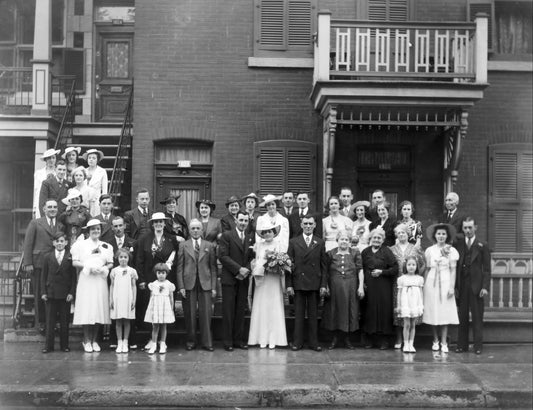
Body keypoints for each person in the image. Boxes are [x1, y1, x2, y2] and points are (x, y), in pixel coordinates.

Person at [135, 212, 178, 346]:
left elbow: (176, 257)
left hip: (166, 279)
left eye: (161, 222)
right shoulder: (145, 239)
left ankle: (163, 340)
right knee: (151, 309)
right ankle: (151, 339)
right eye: (156, 222)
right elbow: (139, 260)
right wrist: (141, 279)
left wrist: (169, 265)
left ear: (165, 224)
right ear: (152, 224)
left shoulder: (171, 239)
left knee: (165, 309)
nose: (158, 224)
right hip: (149, 280)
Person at [71, 219, 114, 353]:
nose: (96, 231)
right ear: (88, 231)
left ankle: (95, 340)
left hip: (100, 280)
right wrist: (89, 266)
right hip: (87, 280)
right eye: (93, 229)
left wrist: (102, 268)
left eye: (98, 229)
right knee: (87, 309)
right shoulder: (81, 245)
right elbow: (75, 262)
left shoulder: (106, 246)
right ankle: (86, 340)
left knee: (98, 308)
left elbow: (111, 263)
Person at [287, 215, 327, 352]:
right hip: (298, 283)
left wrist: (323, 285)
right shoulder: (293, 242)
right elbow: (288, 265)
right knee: (298, 315)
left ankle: (313, 342)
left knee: (313, 315)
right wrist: (289, 284)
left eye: (311, 223)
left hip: (314, 283)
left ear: (315, 225)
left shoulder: (320, 242)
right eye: (306, 224)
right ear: (301, 225)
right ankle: (297, 342)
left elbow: (324, 266)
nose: (308, 226)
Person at [23, 200, 65, 332]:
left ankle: (54, 323)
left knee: (54, 294)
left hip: (55, 264)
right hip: (39, 264)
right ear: (44, 209)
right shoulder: (36, 223)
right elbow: (28, 243)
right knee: (40, 294)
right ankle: (41, 323)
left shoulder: (60, 225)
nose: (52, 209)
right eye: (50, 207)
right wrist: (28, 263)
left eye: (54, 207)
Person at [177, 219, 217, 351]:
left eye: (197, 228)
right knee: (190, 314)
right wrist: (181, 286)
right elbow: (180, 267)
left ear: (202, 230)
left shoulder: (209, 245)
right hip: (189, 283)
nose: (195, 231)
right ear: (189, 230)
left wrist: (213, 287)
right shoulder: (183, 245)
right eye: (192, 228)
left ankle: (207, 342)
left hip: (205, 283)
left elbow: (213, 268)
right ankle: (191, 341)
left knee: (206, 314)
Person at [248, 220, 288, 349]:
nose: (267, 234)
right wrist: (256, 265)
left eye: (269, 231)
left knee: (273, 306)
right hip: (262, 280)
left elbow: (283, 262)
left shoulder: (280, 245)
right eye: (264, 232)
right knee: (262, 306)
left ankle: (274, 338)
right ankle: (261, 338)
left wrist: (275, 264)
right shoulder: (258, 245)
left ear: (274, 233)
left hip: (274, 279)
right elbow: (256, 260)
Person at [218, 211, 254, 351]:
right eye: (241, 220)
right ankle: (228, 342)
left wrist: (246, 269)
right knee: (228, 311)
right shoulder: (227, 236)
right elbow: (223, 256)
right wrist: (239, 269)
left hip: (243, 279)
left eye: (246, 220)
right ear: (236, 220)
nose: (243, 223)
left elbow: (253, 256)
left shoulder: (250, 237)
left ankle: (239, 340)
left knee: (240, 310)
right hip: (230, 279)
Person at [322, 230, 364, 350]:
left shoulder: (355, 253)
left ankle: (347, 339)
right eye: (342, 239)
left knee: (349, 311)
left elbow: (360, 270)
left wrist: (361, 286)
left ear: (350, 241)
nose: (344, 241)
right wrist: (326, 286)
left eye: (346, 239)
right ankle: (334, 338)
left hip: (351, 286)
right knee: (334, 311)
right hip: (335, 286)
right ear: (337, 240)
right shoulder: (330, 253)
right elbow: (326, 272)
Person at [455, 217, 491, 355]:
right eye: (465, 228)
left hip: (477, 286)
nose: (468, 230)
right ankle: (461, 345)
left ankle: (478, 346)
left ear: (475, 227)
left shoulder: (482, 245)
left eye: (470, 227)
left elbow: (487, 269)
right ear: (462, 229)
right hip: (462, 285)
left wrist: (485, 287)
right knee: (462, 316)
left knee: (477, 316)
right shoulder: (458, 244)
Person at [422, 223, 460, 353]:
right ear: (435, 235)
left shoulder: (452, 250)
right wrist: (424, 285)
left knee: (444, 311)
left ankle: (444, 341)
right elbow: (427, 269)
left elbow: (453, 270)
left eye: (443, 234)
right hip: (431, 281)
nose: (441, 236)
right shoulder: (430, 250)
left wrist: (451, 287)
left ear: (447, 236)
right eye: (439, 234)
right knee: (433, 311)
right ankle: (435, 340)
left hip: (445, 280)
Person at [361, 227, 399, 349]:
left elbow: (395, 268)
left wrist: (382, 272)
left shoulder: (387, 251)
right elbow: (361, 268)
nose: (376, 240)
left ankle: (384, 340)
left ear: (383, 240)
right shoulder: (365, 252)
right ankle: (370, 339)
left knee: (383, 311)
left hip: (383, 286)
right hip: (369, 286)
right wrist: (362, 284)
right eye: (374, 237)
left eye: (379, 238)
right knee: (370, 310)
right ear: (370, 239)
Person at [389, 224, 425, 349]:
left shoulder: (414, 248)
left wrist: (416, 277)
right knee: (399, 310)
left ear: (408, 234)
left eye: (404, 232)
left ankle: (410, 341)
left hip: (412, 282)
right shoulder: (392, 249)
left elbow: (422, 263)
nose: (401, 235)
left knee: (411, 310)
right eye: (399, 233)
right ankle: (399, 338)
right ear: (396, 235)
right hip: (398, 283)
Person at [40, 231, 76, 353]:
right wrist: (43, 292)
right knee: (50, 321)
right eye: (57, 241)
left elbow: (73, 277)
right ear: (53, 243)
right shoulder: (47, 257)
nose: (59, 243)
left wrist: (71, 292)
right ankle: (48, 346)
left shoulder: (70, 256)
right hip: (51, 293)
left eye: (62, 241)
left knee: (64, 321)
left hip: (65, 294)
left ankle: (64, 345)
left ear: (66, 243)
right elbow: (43, 276)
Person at [109, 248, 137, 353]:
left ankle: (125, 342)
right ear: (117, 258)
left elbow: (134, 286)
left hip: (128, 298)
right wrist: (111, 299)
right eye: (121, 257)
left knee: (127, 320)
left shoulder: (132, 271)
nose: (123, 259)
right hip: (117, 298)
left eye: (125, 257)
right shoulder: (114, 271)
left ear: (129, 258)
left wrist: (134, 299)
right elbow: (111, 286)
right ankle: (119, 342)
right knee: (118, 321)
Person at [144, 263, 175, 354]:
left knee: (164, 326)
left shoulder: (169, 284)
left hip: (165, 308)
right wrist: (151, 310)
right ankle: (153, 345)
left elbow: (171, 297)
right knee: (155, 326)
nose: (161, 275)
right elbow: (151, 297)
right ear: (156, 273)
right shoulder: (153, 284)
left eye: (163, 273)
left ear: (166, 273)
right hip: (156, 308)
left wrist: (172, 308)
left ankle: (162, 344)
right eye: (159, 273)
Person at [396, 256, 424, 353]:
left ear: (416, 266)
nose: (411, 267)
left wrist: (421, 305)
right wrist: (399, 305)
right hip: (405, 302)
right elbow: (399, 293)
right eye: (409, 265)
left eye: (413, 265)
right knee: (406, 324)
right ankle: (406, 344)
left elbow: (421, 292)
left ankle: (411, 344)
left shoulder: (419, 279)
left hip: (415, 302)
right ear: (405, 266)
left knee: (413, 324)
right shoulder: (401, 279)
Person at [33, 148, 60, 218]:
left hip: (55, 202)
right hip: (42, 201)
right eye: (49, 158)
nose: (51, 160)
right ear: (45, 160)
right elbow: (36, 191)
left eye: (53, 158)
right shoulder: (39, 173)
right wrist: (35, 207)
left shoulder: (59, 172)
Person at [83, 149, 108, 215]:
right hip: (85, 199)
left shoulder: (102, 171)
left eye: (94, 158)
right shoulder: (84, 171)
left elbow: (104, 190)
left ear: (97, 160)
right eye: (89, 158)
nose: (91, 160)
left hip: (96, 199)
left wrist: (102, 202)